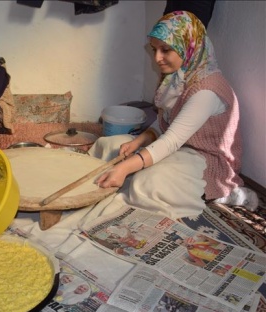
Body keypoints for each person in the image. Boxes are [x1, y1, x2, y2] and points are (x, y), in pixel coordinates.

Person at [89, 11, 258, 218]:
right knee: (109, 145)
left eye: (165, 50)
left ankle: (224, 192)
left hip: (206, 159)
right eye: (154, 50)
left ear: (187, 46)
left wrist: (125, 168)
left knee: (147, 182)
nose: (158, 58)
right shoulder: (178, 78)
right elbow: (165, 123)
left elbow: (171, 141)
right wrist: (138, 141)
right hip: (181, 146)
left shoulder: (207, 90)